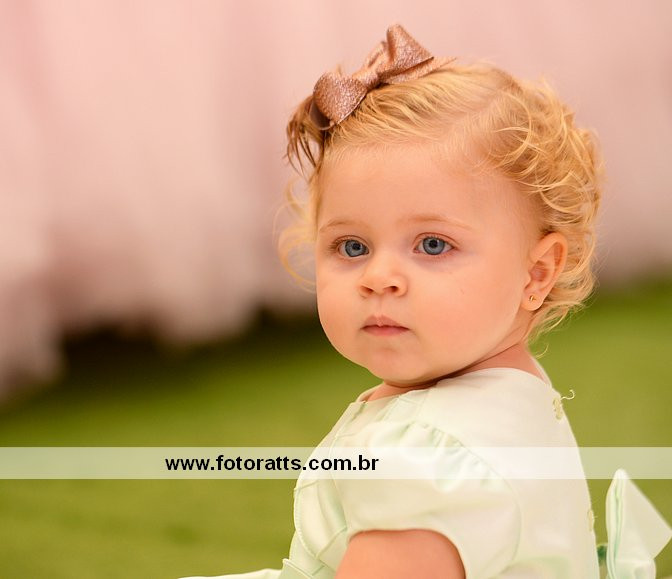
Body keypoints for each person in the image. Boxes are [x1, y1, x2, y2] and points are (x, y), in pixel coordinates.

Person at [183, 24, 671, 578]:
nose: (379, 278)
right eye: (352, 246)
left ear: (536, 273)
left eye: (433, 245)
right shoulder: (509, 396)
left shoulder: (429, 462)